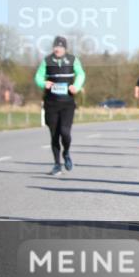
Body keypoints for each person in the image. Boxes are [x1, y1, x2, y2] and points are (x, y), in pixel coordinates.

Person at [34, 36, 85, 175]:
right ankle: (57, 164)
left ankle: (66, 152)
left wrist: (76, 86)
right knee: (54, 135)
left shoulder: (73, 60)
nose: (58, 49)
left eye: (61, 47)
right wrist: (43, 83)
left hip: (67, 103)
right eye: (56, 46)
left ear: (65, 48)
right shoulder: (47, 61)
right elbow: (38, 77)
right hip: (51, 103)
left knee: (65, 133)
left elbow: (81, 74)